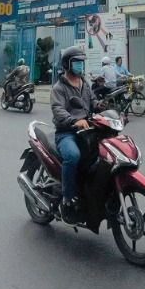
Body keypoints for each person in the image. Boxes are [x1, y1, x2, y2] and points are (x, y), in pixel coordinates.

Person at [50, 47, 96, 225]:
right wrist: (74, 121)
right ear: (67, 64)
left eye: (81, 62)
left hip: (87, 131)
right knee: (73, 156)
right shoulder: (59, 87)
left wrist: (106, 107)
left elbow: (93, 102)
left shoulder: (84, 83)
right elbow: (58, 109)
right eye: (76, 62)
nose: (80, 66)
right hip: (67, 132)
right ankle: (68, 199)